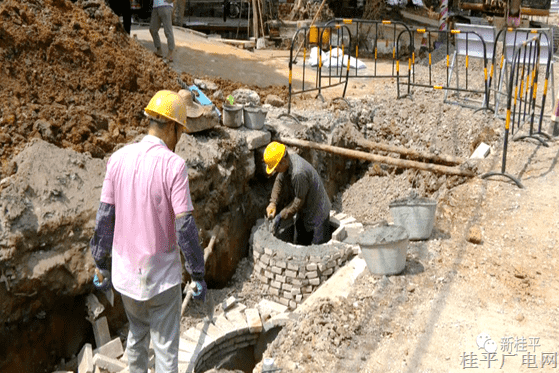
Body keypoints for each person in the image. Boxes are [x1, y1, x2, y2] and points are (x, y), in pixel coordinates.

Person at [90, 90, 206, 373]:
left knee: (137, 336)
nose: (179, 139)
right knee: (166, 350)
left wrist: (100, 264)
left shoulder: (117, 159)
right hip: (161, 279)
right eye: (180, 131)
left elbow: (105, 217)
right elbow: (185, 225)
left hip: (126, 277)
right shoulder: (173, 166)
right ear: (173, 127)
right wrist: (198, 273)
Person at [264, 141, 332, 245]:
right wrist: (272, 202)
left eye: (276, 168)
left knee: (316, 251)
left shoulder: (298, 174)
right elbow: (279, 181)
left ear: (282, 161)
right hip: (304, 212)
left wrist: (281, 215)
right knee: (300, 241)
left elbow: (298, 201)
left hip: (318, 214)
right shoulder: (287, 162)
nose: (276, 171)